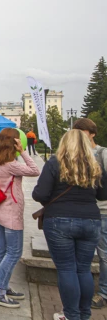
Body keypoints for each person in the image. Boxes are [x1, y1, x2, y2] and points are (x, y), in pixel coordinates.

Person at [33, 130, 107, 320]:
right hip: (91, 220)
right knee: (83, 269)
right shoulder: (94, 164)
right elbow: (102, 195)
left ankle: (71, 315)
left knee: (66, 269)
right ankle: (85, 314)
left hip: (59, 220)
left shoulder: (55, 163)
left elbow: (40, 194)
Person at [0, 128, 39, 308]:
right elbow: (35, 170)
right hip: (11, 213)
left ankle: (3, 284)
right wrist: (24, 152)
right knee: (14, 252)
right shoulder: (11, 165)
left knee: (2, 251)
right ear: (14, 143)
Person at [73, 119, 107, 310]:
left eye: (83, 132)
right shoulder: (73, 155)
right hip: (80, 211)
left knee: (104, 254)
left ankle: (103, 292)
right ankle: (80, 291)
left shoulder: (102, 153)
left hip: (101, 211)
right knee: (81, 256)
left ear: (92, 133)